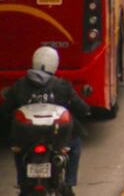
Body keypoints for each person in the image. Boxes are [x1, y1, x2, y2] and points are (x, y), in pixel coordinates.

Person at [0, 47, 90, 192]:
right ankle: (69, 182)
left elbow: (5, 110)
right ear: (54, 64)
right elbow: (81, 107)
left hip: (26, 138)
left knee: (19, 150)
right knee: (76, 143)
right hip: (54, 137)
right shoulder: (61, 85)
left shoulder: (20, 85)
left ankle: (22, 181)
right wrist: (86, 110)